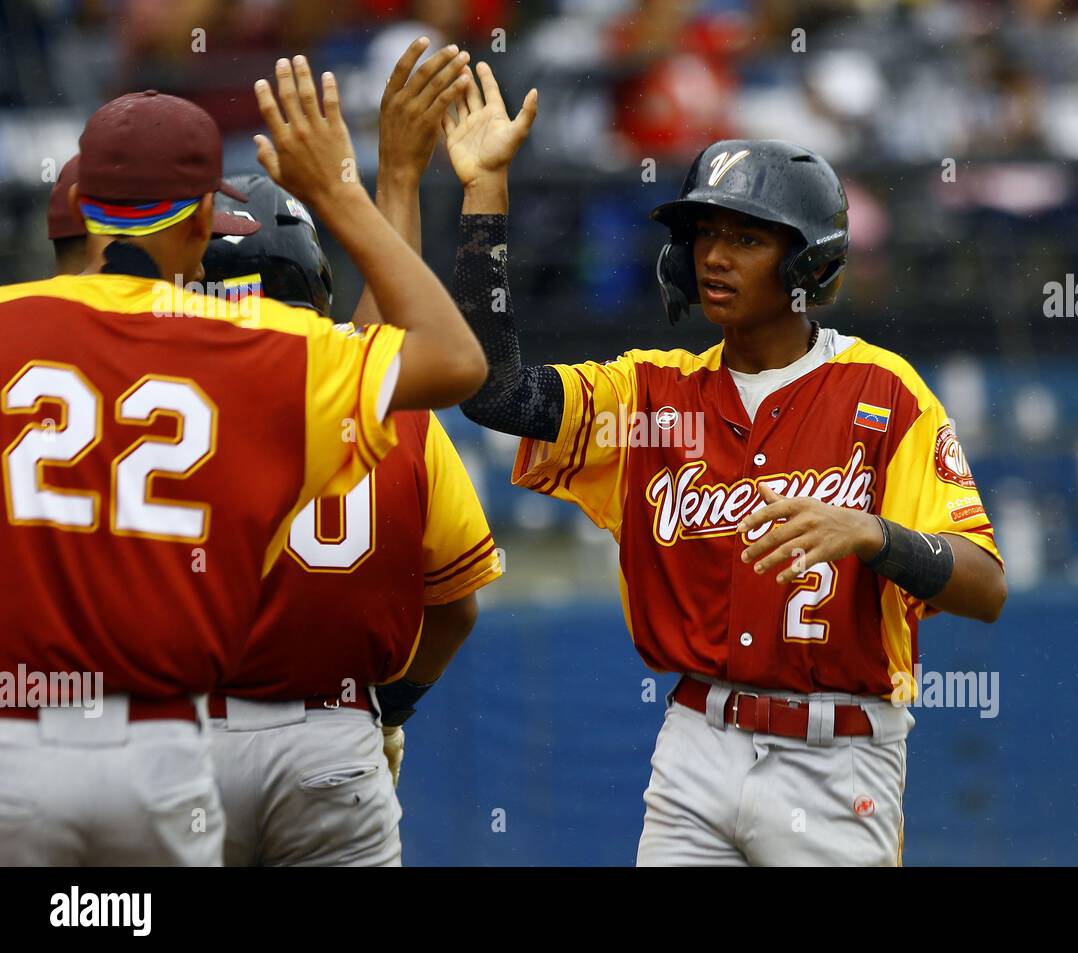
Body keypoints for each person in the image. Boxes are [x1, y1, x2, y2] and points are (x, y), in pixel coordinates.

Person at [446, 62, 1006, 866]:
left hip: (838, 757)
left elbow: (985, 587)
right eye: (705, 233)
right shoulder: (648, 394)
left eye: (746, 237)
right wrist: (486, 193)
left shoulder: (885, 393)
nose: (715, 256)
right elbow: (492, 392)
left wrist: (873, 534)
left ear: (809, 263)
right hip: (695, 748)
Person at [0, 56, 484, 865]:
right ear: (199, 221)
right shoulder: (248, 352)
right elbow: (450, 359)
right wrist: (347, 191)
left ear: (83, 210)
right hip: (163, 743)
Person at [202, 39, 500, 867]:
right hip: (332, 739)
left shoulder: (155, 385)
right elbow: (457, 606)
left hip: (179, 736)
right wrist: (389, 706)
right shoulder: (383, 393)